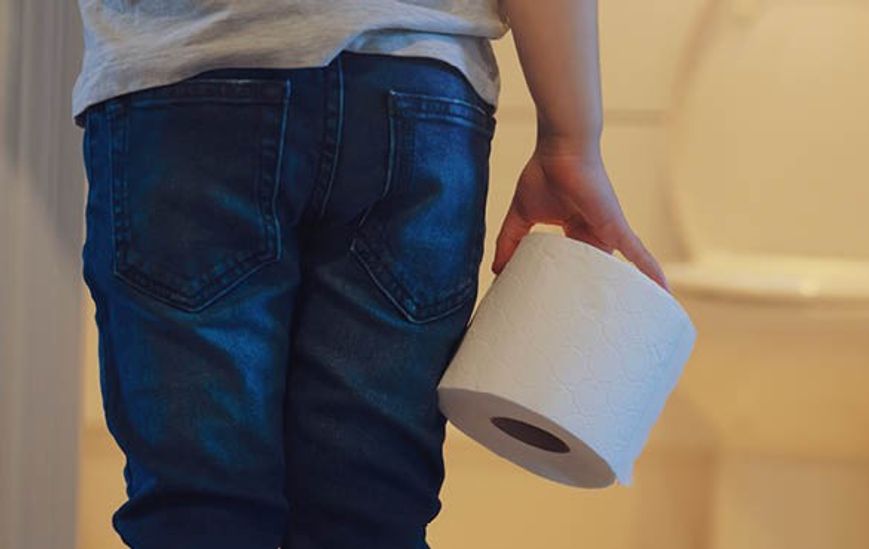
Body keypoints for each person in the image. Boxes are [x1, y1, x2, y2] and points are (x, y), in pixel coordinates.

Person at [73, 0, 669, 547]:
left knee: (201, 507)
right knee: (369, 503)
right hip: (416, 99)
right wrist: (570, 142)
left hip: (190, 79)